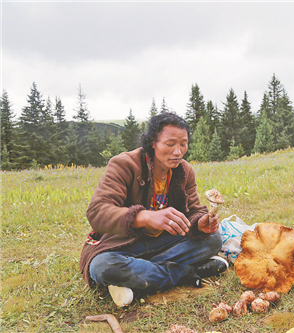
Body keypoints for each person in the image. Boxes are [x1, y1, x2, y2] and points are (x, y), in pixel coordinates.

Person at [79, 112, 228, 307]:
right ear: (152, 142)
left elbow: (193, 210)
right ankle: (190, 272)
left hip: (164, 241)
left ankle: (137, 277)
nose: (178, 152)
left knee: (214, 238)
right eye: (170, 144)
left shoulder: (185, 171)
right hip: (125, 244)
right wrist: (145, 217)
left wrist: (200, 223)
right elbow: (97, 213)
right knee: (102, 266)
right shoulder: (124, 164)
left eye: (183, 144)